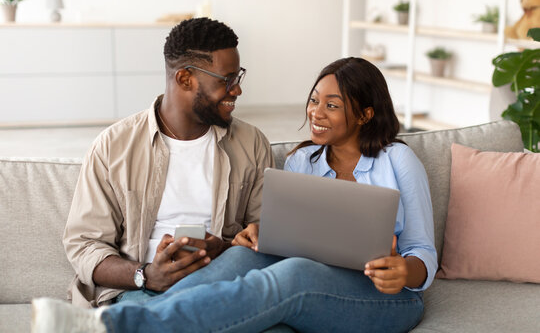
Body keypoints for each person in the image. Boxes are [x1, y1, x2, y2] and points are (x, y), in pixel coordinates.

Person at [32, 57, 436, 333]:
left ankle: (123, 326)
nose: (316, 112)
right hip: (317, 280)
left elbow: (422, 252)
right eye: (314, 100)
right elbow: (287, 243)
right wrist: (255, 234)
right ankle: (116, 316)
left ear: (365, 114)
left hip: (387, 298)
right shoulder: (301, 163)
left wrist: (407, 271)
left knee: (292, 276)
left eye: (332, 105)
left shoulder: (398, 160)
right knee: (245, 255)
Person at [60, 17, 273, 308]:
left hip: (223, 282)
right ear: (185, 78)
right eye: (227, 80)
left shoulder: (252, 144)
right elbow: (84, 245)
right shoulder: (113, 146)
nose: (237, 90)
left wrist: (224, 248)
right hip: (139, 293)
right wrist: (145, 275)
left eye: (238, 77)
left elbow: (267, 235)